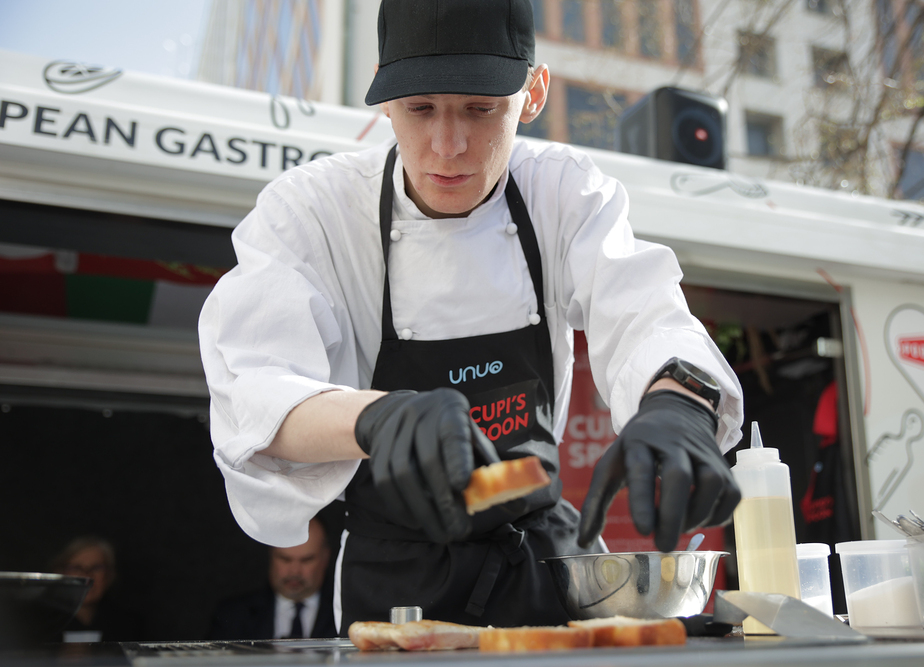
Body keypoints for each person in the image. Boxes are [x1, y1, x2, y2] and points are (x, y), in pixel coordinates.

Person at [198, 0, 743, 634]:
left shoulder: (563, 192)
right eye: (419, 108)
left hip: (546, 562)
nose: (447, 146)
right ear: (384, 96)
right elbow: (253, 390)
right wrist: (377, 417)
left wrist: (679, 405)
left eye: (481, 109)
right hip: (395, 574)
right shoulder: (313, 211)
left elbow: (646, 314)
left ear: (533, 93)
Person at [207, 518, 335, 640]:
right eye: (285, 559)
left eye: (306, 560)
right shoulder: (233, 616)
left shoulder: (343, 612)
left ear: (325, 557)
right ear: (270, 555)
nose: (295, 571)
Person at [52, 536, 143, 642]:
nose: (86, 576)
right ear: (60, 573)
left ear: (110, 575)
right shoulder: (41, 624)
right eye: (76, 568)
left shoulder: (131, 626)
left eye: (96, 568)